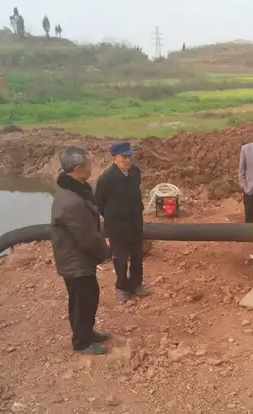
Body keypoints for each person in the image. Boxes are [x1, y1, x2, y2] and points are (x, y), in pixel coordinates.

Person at [51, 146, 110, 355]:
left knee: (89, 296)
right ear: (77, 169)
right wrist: (105, 252)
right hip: (75, 260)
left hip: (78, 258)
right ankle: (82, 341)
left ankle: (87, 332)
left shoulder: (75, 190)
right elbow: (87, 236)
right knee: (82, 301)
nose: (91, 169)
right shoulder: (72, 202)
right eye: (89, 165)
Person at [95, 141, 148, 303]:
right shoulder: (106, 178)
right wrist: (114, 216)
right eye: (123, 157)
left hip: (135, 223)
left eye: (129, 156)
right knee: (120, 258)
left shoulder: (135, 172)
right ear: (114, 158)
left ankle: (136, 284)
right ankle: (122, 287)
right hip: (117, 227)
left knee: (137, 256)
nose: (127, 160)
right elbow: (99, 204)